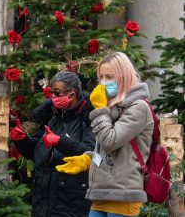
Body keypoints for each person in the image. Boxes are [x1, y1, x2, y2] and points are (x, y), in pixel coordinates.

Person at [56, 52, 154, 217]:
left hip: (124, 194)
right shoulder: (112, 108)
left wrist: (100, 110)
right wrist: (88, 159)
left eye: (109, 76)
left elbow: (110, 141)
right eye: (101, 77)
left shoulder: (138, 107)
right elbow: (108, 149)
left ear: (124, 77)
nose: (103, 82)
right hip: (102, 192)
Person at [10, 71, 95, 217]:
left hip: (71, 202)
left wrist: (60, 142)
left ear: (72, 94)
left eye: (57, 93)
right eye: (52, 93)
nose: (53, 97)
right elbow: (36, 152)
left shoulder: (89, 118)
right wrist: (21, 140)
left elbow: (90, 152)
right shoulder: (49, 115)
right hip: (42, 201)